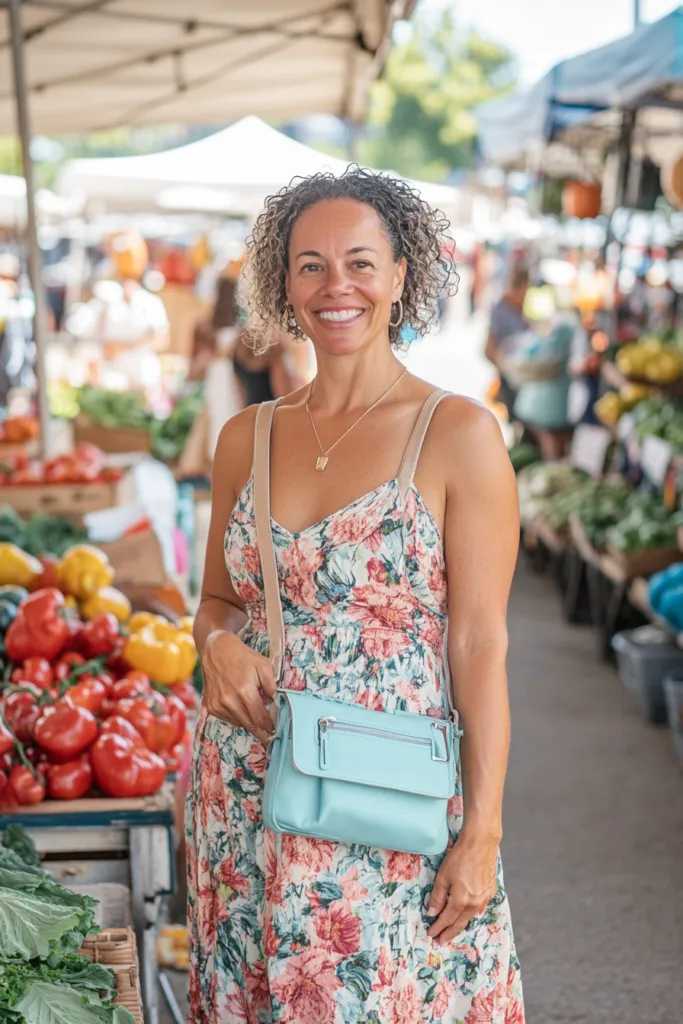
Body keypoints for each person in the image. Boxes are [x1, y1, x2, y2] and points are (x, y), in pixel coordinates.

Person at [187, 168, 524, 1023]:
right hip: (247, 797)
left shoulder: (457, 434)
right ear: (283, 286)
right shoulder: (244, 437)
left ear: (401, 273)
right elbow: (219, 602)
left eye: (360, 262)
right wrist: (216, 644)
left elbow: (480, 644)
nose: (336, 286)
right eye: (309, 266)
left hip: (390, 806)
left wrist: (480, 831)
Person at [485, 265, 529, 422]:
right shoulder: (501, 309)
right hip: (510, 376)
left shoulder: (525, 310)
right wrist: (506, 367)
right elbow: (488, 349)